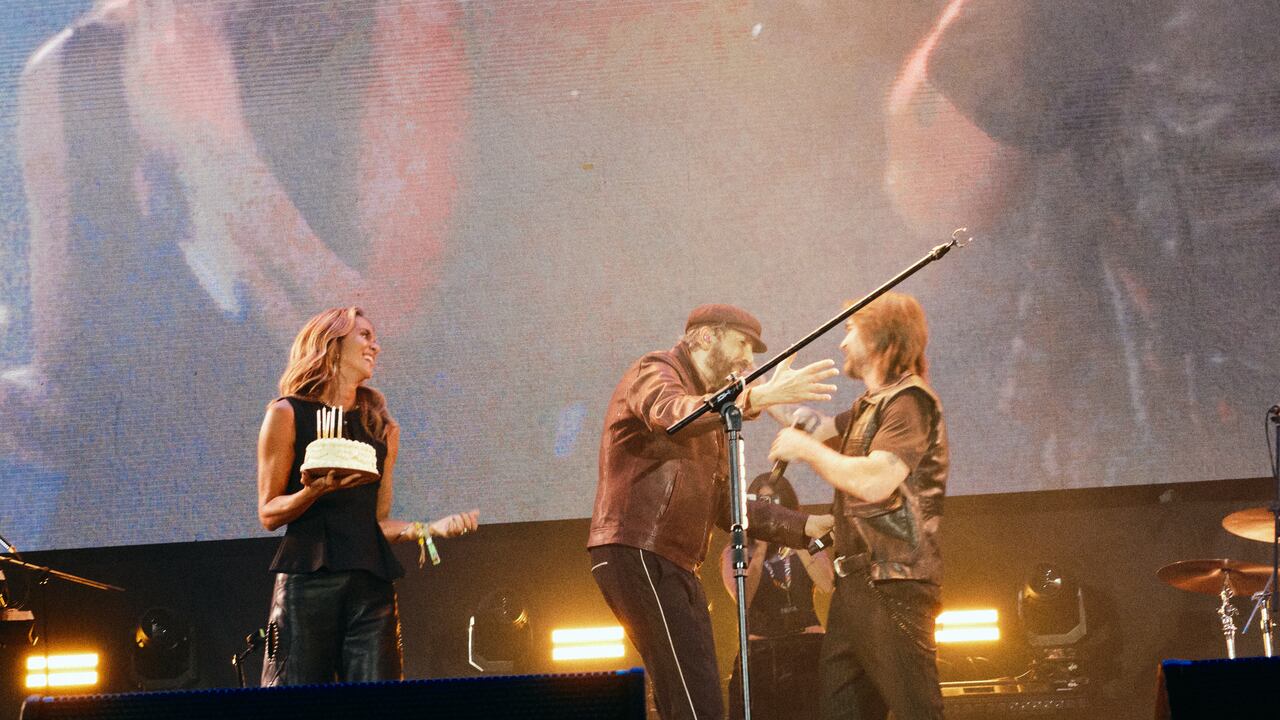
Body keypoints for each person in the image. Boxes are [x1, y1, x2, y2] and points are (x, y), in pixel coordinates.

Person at [588, 303, 839, 720]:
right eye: (741, 343)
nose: (748, 360)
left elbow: (725, 505)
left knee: (691, 692)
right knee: (693, 699)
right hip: (637, 550)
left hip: (673, 562)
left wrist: (804, 526)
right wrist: (755, 397)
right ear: (705, 337)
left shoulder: (715, 419)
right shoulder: (655, 370)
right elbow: (672, 416)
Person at [256, 306, 478, 685]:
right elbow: (269, 512)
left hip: (370, 588)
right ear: (332, 344)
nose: (375, 345)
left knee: (379, 701)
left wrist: (429, 529)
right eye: (365, 335)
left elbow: (376, 522)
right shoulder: (288, 413)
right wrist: (313, 491)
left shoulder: (382, 428)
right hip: (309, 585)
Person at [769, 292, 948, 720]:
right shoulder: (869, 407)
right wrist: (773, 398)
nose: (842, 342)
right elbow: (814, 429)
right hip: (855, 588)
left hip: (892, 581)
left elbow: (877, 480)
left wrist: (806, 452)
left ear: (881, 338)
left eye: (850, 330)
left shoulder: (909, 402)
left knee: (917, 711)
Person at [719, 471, 834, 720]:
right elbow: (743, 598)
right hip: (760, 651)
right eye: (759, 502)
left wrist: (794, 534)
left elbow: (827, 583)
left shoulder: (807, 542)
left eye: (772, 502)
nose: (766, 508)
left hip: (807, 647)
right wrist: (758, 549)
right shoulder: (736, 550)